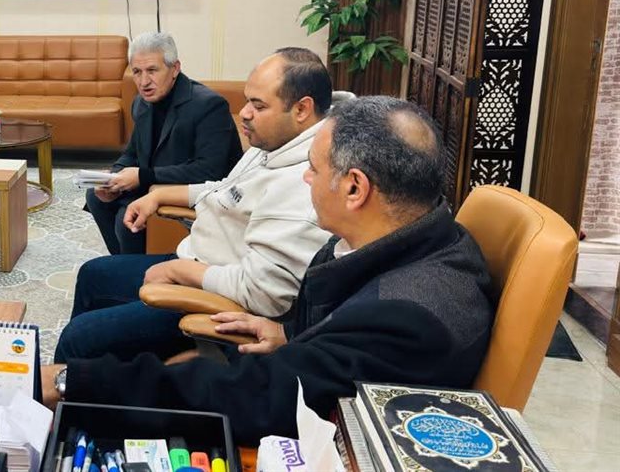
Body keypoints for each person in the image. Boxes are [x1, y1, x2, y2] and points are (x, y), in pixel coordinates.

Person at [41, 97, 495, 445]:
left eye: (314, 169)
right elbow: (335, 349)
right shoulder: (433, 237)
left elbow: (252, 396)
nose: (306, 179)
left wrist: (73, 382)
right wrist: (290, 335)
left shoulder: (406, 318)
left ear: (355, 188)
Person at [56, 48, 344, 363]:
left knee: (77, 339)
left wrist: (180, 270)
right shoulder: (273, 144)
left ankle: (76, 381)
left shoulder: (304, 182)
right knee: (93, 274)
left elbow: (263, 294)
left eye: (258, 105)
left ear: (302, 109)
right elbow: (224, 188)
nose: (244, 113)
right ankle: (93, 381)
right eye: (247, 101)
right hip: (200, 261)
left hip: (219, 298)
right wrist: (158, 196)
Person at [86, 32, 243, 255]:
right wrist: (113, 176)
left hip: (194, 191)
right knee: (95, 196)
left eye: (152, 70)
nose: (143, 82)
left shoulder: (208, 106)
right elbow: (132, 153)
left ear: (175, 68)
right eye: (137, 72)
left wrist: (143, 176)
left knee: (125, 219)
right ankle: (122, 264)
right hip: (155, 181)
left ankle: (137, 269)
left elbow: (210, 171)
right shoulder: (141, 103)